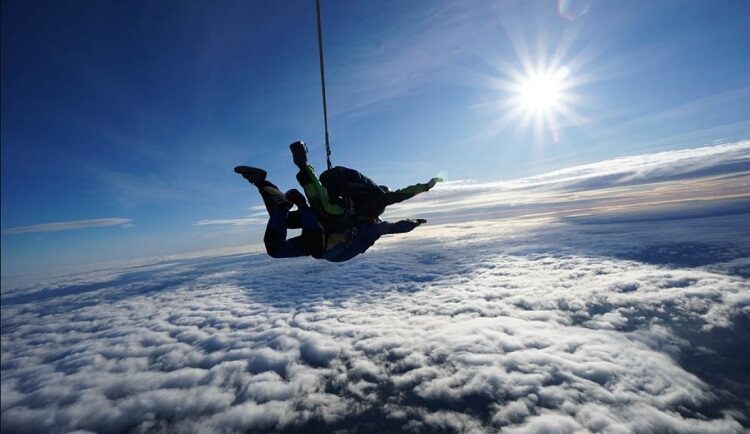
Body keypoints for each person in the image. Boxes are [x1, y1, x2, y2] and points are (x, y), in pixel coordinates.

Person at [234, 165, 427, 262]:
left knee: (278, 242)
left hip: (320, 228)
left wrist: (414, 221)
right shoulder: (372, 226)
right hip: (323, 240)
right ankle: (290, 204)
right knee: (314, 248)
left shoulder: (359, 216)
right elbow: (396, 227)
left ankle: (264, 185)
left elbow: (396, 226)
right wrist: (414, 222)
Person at [289, 140, 442, 228]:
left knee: (319, 205)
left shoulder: (366, 194)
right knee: (324, 205)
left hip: (335, 185)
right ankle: (302, 164)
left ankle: (288, 214)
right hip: (336, 191)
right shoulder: (378, 201)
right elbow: (400, 195)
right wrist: (426, 187)